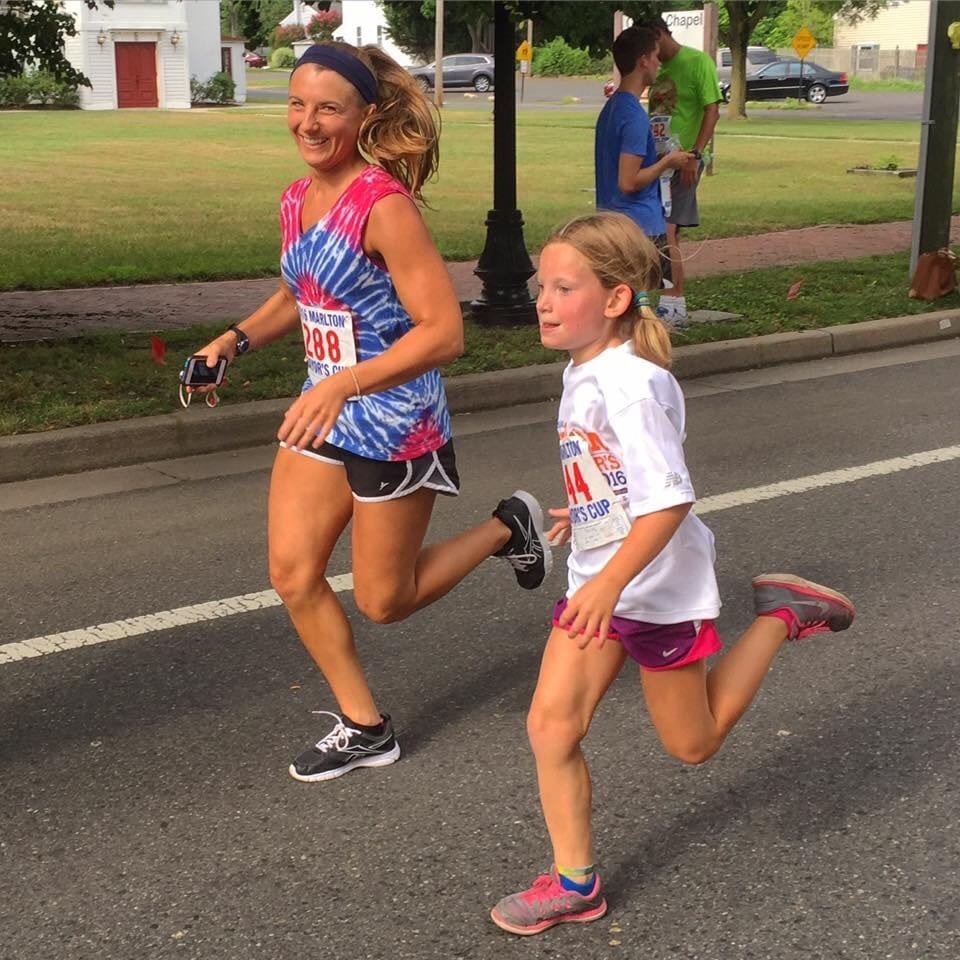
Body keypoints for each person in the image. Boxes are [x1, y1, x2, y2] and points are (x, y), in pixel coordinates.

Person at [188, 42, 551, 783]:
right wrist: (234, 340)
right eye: (296, 104)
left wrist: (344, 384)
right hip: (325, 414)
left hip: (393, 421)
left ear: (364, 115)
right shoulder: (298, 198)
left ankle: (506, 526)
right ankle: (366, 726)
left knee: (386, 600)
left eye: (328, 108)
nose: (308, 123)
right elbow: (303, 292)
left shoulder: (384, 206)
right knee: (293, 575)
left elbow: (444, 331)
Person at [489, 211, 855, 936]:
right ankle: (575, 884)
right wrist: (588, 512)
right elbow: (625, 482)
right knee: (550, 726)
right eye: (541, 286)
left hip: (653, 590)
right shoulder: (586, 368)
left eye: (564, 288)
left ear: (617, 298)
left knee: (694, 744)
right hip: (607, 576)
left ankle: (782, 615)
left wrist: (609, 580)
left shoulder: (630, 383)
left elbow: (670, 497)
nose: (543, 300)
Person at [594, 26, 691, 307]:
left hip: (613, 222)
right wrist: (668, 161)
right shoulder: (634, 115)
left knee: (624, 305)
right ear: (643, 60)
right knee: (636, 307)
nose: (660, 63)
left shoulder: (612, 109)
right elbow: (628, 181)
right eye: (656, 56)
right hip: (638, 228)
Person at [643, 15, 723, 328]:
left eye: (651, 42)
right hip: (658, 159)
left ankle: (674, 303)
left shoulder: (697, 62)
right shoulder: (657, 68)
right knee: (655, 230)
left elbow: (712, 111)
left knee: (668, 229)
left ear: (660, 34)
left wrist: (694, 155)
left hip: (684, 159)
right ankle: (662, 298)